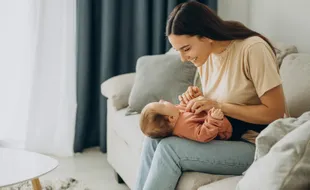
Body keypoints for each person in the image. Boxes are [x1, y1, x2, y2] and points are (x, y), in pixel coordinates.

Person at [134, 1, 286, 190]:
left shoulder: (252, 49)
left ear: (206, 36)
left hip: (255, 144)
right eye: (178, 51)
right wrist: (197, 98)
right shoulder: (206, 58)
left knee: (169, 150)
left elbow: (276, 113)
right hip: (224, 137)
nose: (183, 58)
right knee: (153, 139)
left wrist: (218, 106)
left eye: (186, 49)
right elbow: (217, 103)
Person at [140, 98, 233, 142]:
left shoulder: (175, 112)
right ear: (171, 118)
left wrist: (189, 98)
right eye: (162, 104)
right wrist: (214, 120)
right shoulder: (184, 127)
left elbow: (187, 108)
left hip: (218, 113)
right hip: (227, 127)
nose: (161, 100)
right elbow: (203, 135)